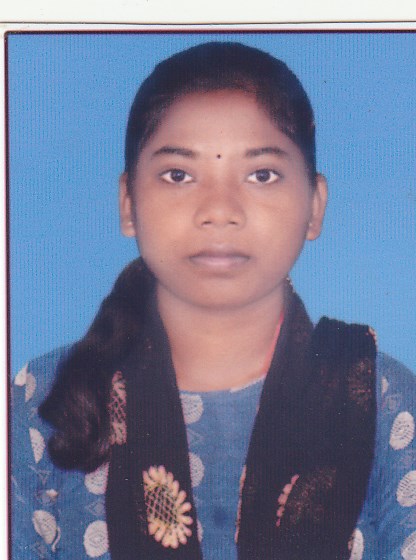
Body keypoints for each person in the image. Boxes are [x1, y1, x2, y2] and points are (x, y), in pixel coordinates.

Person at [11, 41, 416, 560]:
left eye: (262, 174)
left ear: (315, 206)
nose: (219, 210)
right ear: (129, 203)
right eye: (179, 175)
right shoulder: (45, 399)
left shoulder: (381, 399)